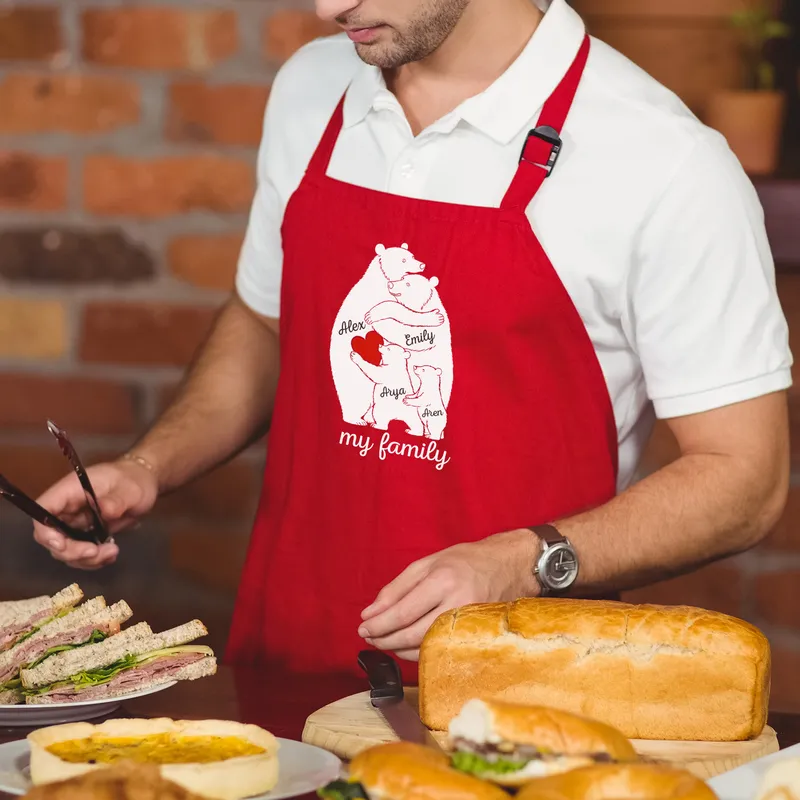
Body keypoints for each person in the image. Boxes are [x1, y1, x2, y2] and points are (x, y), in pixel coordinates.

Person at [32, 0, 791, 679]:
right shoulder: (311, 88)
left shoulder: (664, 159)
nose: (327, 8)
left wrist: (525, 561)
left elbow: (745, 478)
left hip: (521, 694)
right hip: (289, 659)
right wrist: (149, 466)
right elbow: (268, 323)